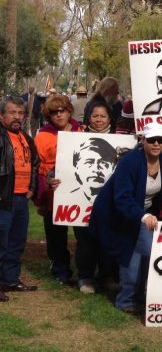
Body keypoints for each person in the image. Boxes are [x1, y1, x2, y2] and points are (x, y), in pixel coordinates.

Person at [89, 123, 162, 314]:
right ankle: (125, 300)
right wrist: (143, 215)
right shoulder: (130, 162)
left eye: (161, 140)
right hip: (119, 213)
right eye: (151, 140)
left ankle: (140, 296)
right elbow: (122, 198)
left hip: (145, 214)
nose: (156, 144)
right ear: (142, 140)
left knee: (147, 254)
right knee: (131, 258)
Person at [34, 95, 82, 284]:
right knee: (55, 233)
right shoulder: (42, 136)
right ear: (48, 115)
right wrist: (42, 193)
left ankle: (85, 270)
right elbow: (37, 167)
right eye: (54, 112)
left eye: (62, 110)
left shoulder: (82, 130)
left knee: (84, 232)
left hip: (79, 189)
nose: (59, 114)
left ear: (69, 110)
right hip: (53, 189)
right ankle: (60, 269)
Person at [0, 98, 40, 298]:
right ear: (1, 115)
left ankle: (10, 280)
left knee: (16, 241)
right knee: (1, 242)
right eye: (12, 112)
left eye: (20, 113)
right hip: (3, 198)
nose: (17, 117)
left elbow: (34, 163)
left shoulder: (25, 137)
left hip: (21, 198)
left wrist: (32, 188)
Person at [71, 133, 120, 293]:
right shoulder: (75, 138)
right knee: (85, 244)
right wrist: (53, 178)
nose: (96, 168)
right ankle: (85, 277)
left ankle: (107, 276)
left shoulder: (119, 138)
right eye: (89, 162)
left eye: (104, 162)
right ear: (77, 168)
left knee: (108, 240)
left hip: (110, 209)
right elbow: (56, 170)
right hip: (79, 211)